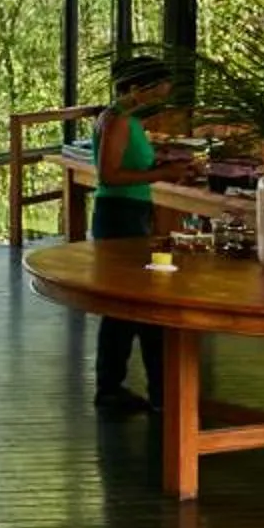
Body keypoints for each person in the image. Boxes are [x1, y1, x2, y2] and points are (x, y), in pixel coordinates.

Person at [91, 55, 177, 411]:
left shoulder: (125, 119)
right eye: (157, 91)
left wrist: (158, 166)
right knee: (142, 306)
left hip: (131, 211)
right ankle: (161, 393)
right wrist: (161, 174)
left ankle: (114, 386)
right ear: (137, 88)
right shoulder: (118, 121)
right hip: (120, 214)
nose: (161, 99)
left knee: (124, 309)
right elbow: (109, 175)